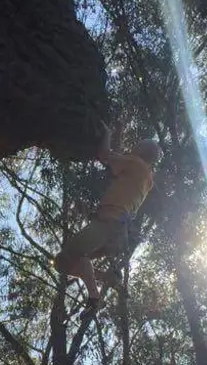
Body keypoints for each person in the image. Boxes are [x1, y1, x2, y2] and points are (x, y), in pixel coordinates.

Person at [54, 126, 161, 319]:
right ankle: (108, 278)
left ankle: (95, 298)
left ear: (140, 151)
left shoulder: (135, 164)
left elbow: (104, 155)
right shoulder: (146, 178)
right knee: (62, 262)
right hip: (118, 233)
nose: (132, 148)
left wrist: (107, 133)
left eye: (136, 146)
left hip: (109, 225)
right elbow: (117, 175)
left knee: (72, 252)